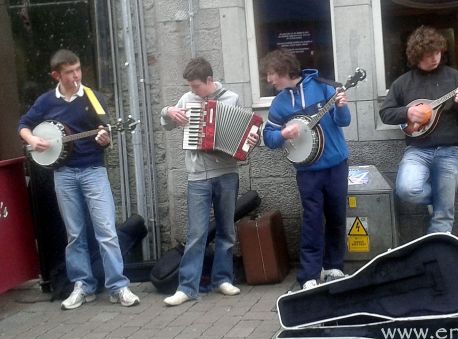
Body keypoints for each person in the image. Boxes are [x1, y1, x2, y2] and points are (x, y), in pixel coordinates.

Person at [18, 49, 140, 310]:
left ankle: (118, 287)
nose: (76, 76)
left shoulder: (93, 97)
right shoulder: (46, 101)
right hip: (63, 174)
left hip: (93, 171)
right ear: (56, 75)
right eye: (69, 72)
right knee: (75, 234)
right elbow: (24, 125)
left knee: (106, 231)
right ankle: (83, 286)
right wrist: (33, 139)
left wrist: (104, 138)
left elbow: (105, 132)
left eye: (78, 70)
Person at [160, 57, 258, 306]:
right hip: (197, 177)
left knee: (226, 229)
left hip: (226, 173)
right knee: (196, 233)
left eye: (195, 86)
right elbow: (168, 124)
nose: (192, 91)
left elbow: (243, 133)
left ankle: (223, 279)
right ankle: (187, 287)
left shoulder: (231, 99)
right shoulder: (186, 100)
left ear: (209, 81)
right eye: (190, 86)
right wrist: (167, 112)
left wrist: (249, 141)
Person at [260, 49, 351, 290]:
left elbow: (344, 122)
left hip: (336, 164)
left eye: (271, 74)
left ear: (284, 71)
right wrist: (282, 134)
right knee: (311, 220)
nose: (268, 80)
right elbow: (268, 138)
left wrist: (341, 106)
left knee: (336, 216)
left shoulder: (323, 88)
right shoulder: (279, 104)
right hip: (308, 170)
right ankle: (309, 273)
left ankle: (334, 267)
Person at [379, 25, 458, 234]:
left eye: (437, 52)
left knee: (443, 216)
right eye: (428, 54)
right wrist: (407, 113)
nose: (434, 58)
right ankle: (440, 199)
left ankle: (437, 259)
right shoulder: (403, 83)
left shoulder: (454, 78)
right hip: (417, 150)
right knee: (406, 189)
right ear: (416, 56)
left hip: (450, 150)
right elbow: (385, 113)